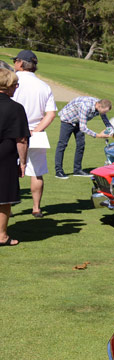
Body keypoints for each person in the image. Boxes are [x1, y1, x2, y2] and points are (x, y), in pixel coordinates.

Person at [12, 50, 56, 218]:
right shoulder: (44, 86)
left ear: (21, 63)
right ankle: (36, 208)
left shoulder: (12, 82)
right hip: (36, 132)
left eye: (16, 61)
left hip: (13, 132)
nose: (15, 64)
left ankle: (6, 206)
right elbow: (50, 114)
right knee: (37, 172)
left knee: (7, 169)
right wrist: (35, 131)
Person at [0, 69, 30, 246]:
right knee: (3, 197)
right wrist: (23, 162)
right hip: (4, 156)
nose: (16, 88)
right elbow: (22, 140)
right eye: (15, 85)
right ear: (9, 86)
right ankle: (2, 235)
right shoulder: (16, 108)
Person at [54, 95, 113, 178]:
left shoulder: (100, 105)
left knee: (81, 145)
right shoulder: (85, 106)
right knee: (62, 144)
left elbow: (105, 119)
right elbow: (83, 128)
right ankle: (58, 171)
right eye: (104, 111)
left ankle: (77, 170)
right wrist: (97, 135)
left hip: (79, 121)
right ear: (99, 106)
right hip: (67, 120)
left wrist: (112, 130)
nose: (104, 113)